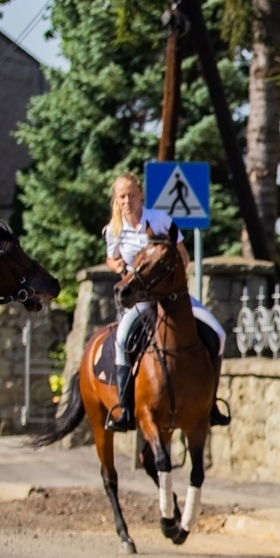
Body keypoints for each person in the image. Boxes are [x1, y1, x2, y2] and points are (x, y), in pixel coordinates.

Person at [103, 173, 230, 430]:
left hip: (172, 296)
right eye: (122, 197)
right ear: (116, 200)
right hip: (140, 299)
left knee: (218, 333)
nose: (127, 201)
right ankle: (125, 410)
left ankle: (211, 404)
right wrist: (115, 264)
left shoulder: (160, 221)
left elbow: (183, 255)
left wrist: (174, 282)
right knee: (121, 340)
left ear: (141, 195)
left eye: (131, 195)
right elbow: (112, 258)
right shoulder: (114, 230)